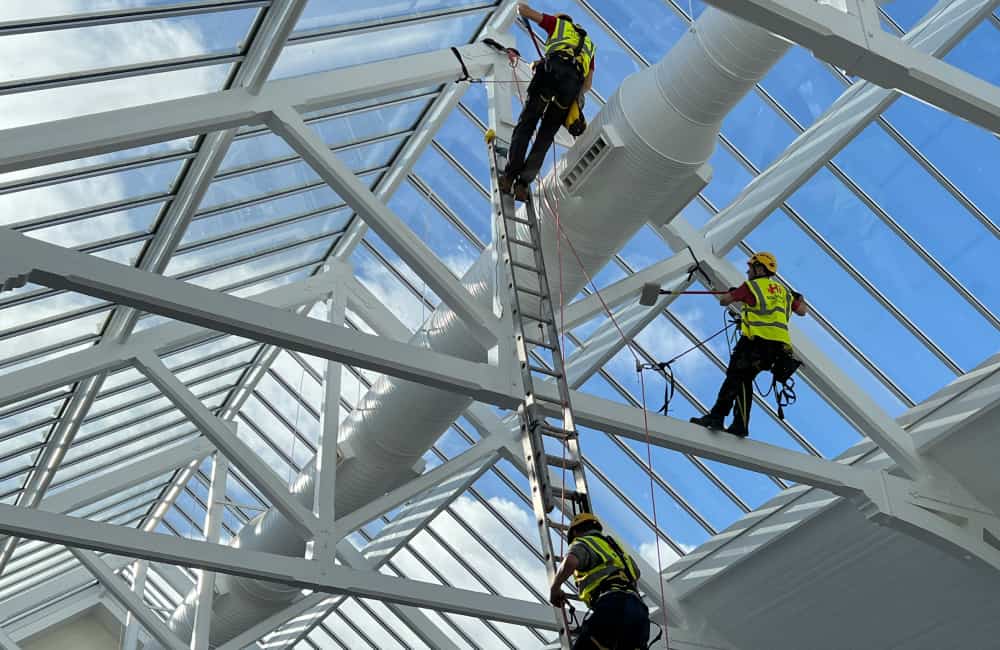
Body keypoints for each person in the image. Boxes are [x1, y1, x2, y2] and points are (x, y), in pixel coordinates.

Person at [689, 252, 808, 438]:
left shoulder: (752, 286)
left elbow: (724, 301)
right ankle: (740, 425)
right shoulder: (784, 292)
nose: (748, 271)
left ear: (760, 268)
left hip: (755, 344)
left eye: (750, 268)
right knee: (744, 379)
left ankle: (716, 417)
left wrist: (735, 292)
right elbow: (802, 311)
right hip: (777, 350)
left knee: (734, 377)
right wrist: (798, 298)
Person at [500, 3, 596, 201]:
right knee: (545, 137)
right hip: (570, 88)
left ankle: (510, 175)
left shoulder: (558, 24)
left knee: (527, 123)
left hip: (550, 75)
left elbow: (523, 10)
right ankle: (523, 183)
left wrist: (519, 9)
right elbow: (587, 85)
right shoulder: (589, 46)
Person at [549, 513, 650, 649]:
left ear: (576, 532)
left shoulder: (583, 542)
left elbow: (571, 561)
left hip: (612, 604)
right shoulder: (618, 551)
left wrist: (555, 588)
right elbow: (635, 574)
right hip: (639, 613)